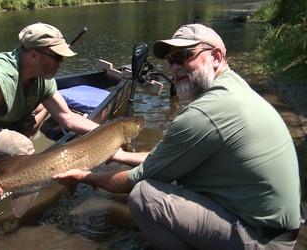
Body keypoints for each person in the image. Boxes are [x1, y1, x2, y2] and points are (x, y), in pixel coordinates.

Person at [54, 23, 301, 249]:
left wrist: (85, 176)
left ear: (216, 56)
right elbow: (162, 159)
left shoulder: (203, 114)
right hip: (278, 229)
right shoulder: (234, 88)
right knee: (168, 176)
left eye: (183, 57)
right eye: (171, 60)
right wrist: (120, 155)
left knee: (144, 196)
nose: (174, 68)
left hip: (262, 241)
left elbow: (134, 180)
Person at [0, 22, 115, 204]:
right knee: (22, 146)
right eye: (57, 58)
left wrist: (107, 132)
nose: (61, 63)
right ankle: (10, 186)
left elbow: (67, 117)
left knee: (41, 109)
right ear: (33, 54)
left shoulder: (42, 77)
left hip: (2, 126)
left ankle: (5, 167)